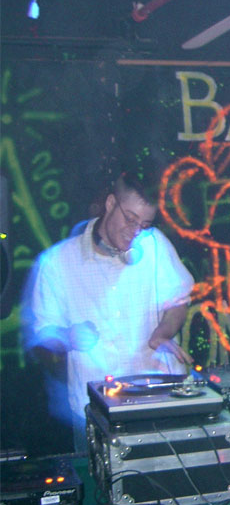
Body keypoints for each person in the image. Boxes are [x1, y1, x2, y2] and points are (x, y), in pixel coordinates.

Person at [23, 169, 195, 453]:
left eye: (145, 223)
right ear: (111, 203)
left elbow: (178, 300)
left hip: (158, 399)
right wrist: (67, 337)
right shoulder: (57, 262)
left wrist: (164, 332)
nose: (135, 230)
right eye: (129, 218)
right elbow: (42, 334)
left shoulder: (154, 244)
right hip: (96, 412)